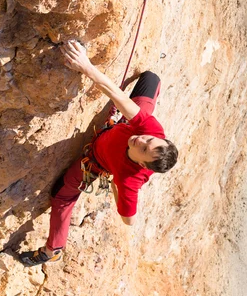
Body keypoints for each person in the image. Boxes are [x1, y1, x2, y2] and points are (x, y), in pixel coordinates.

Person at [20, 40, 178, 266]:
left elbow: (129, 220)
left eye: (143, 148)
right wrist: (86, 66)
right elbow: (117, 96)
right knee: (150, 79)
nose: (141, 140)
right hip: (122, 125)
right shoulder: (149, 130)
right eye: (150, 141)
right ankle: (130, 117)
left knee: (61, 197)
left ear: (143, 165)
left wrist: (116, 185)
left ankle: (52, 249)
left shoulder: (129, 179)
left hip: (94, 162)